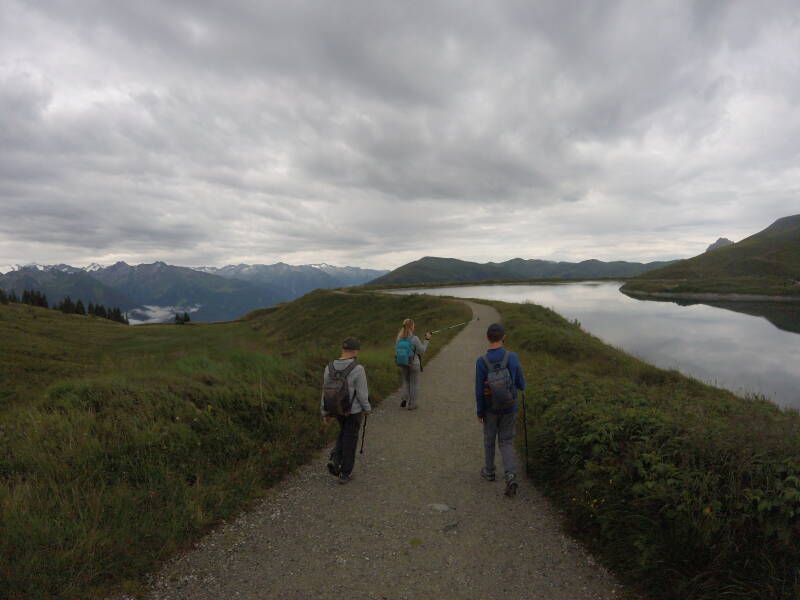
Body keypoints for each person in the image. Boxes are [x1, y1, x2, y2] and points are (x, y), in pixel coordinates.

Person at [475, 323, 526, 496]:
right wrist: (522, 387)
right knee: (506, 441)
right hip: (509, 407)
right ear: (504, 337)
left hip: (490, 409)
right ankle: (510, 476)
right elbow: (520, 381)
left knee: (489, 439)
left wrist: (480, 411)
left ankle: (489, 472)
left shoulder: (481, 362)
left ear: (487, 338)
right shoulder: (512, 357)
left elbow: (479, 390)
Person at [321, 337, 371, 484]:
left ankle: (335, 459)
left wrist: (325, 412)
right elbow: (362, 394)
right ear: (355, 351)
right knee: (351, 439)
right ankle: (345, 473)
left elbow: (324, 392)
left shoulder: (329, 367)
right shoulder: (358, 368)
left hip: (336, 409)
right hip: (353, 411)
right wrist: (367, 409)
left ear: (343, 349)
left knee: (343, 433)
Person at [395, 318, 431, 410]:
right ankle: (412, 404)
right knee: (414, 384)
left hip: (403, 362)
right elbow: (421, 351)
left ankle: (404, 398)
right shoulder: (414, 338)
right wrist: (427, 339)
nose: (414, 327)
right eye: (414, 326)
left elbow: (397, 351)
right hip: (413, 363)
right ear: (411, 327)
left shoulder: (399, 338)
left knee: (406, 381)